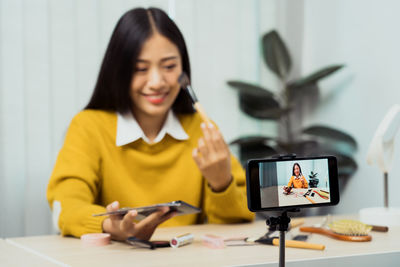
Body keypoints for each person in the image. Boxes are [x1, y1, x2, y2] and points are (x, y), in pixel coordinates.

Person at [47, 7, 254, 241]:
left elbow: (238, 223)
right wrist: (109, 226)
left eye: (168, 66)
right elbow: (65, 206)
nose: (156, 82)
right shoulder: (88, 126)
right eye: (140, 69)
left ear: (183, 69)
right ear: (118, 71)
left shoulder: (201, 128)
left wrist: (221, 183)